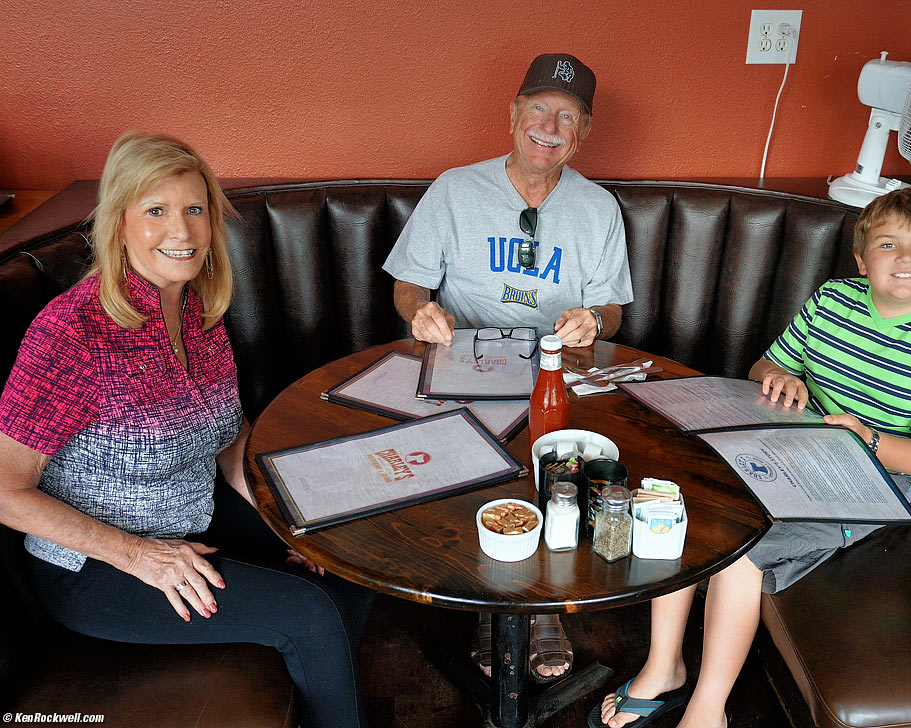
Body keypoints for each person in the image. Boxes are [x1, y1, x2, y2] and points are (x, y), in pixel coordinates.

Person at [0, 131, 373, 728]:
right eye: (156, 210)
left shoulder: (196, 306)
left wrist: (285, 518)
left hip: (191, 511)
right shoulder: (70, 333)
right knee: (310, 615)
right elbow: (3, 490)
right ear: (119, 222)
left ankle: (315, 697)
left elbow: (229, 438)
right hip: (93, 566)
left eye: (194, 208)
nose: (183, 230)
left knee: (347, 556)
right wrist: (140, 556)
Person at [589, 186, 911, 728]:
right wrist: (780, 376)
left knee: (741, 547)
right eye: (888, 245)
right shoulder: (832, 301)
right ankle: (664, 666)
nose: (905, 259)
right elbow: (762, 368)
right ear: (861, 259)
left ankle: (709, 709)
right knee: (686, 502)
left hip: (874, 485)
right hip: (793, 451)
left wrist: (868, 439)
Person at [384, 52, 633, 683]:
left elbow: (614, 310)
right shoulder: (455, 188)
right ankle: (496, 606)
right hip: (468, 366)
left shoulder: (599, 207)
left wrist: (595, 323)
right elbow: (407, 285)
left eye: (568, 116)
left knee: (563, 465)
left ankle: (543, 605)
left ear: (584, 133)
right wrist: (422, 313)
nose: (551, 126)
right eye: (540, 109)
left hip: (556, 370)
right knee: (481, 455)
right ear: (514, 113)